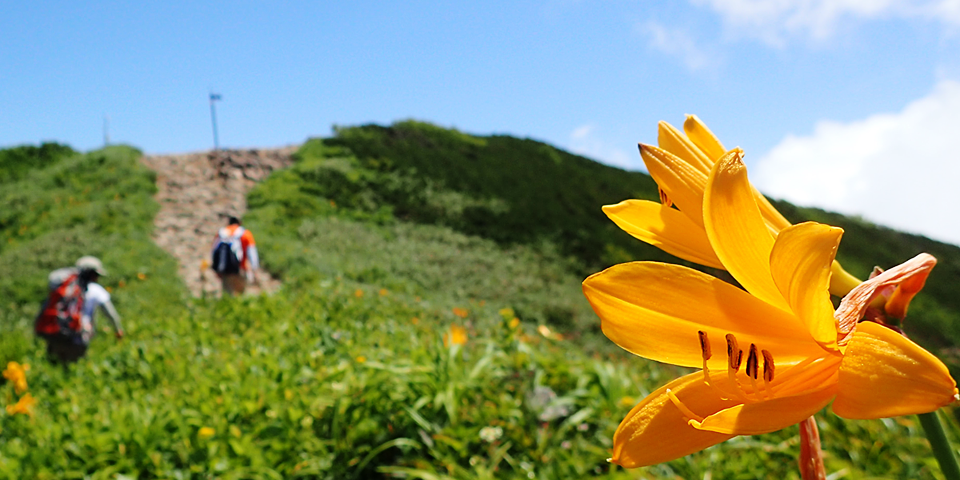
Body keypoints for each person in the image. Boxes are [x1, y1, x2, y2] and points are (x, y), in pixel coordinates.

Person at [35, 256, 124, 363]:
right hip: (78, 337)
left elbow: (46, 306)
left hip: (56, 334)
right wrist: (118, 329)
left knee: (54, 366)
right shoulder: (96, 290)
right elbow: (110, 313)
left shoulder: (64, 287)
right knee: (73, 369)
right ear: (92, 274)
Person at [211, 216, 260, 295]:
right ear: (240, 223)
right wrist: (255, 270)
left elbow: (214, 251)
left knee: (227, 295)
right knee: (240, 296)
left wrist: (217, 269)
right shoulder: (245, 234)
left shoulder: (221, 233)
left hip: (225, 271)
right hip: (240, 269)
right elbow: (252, 253)